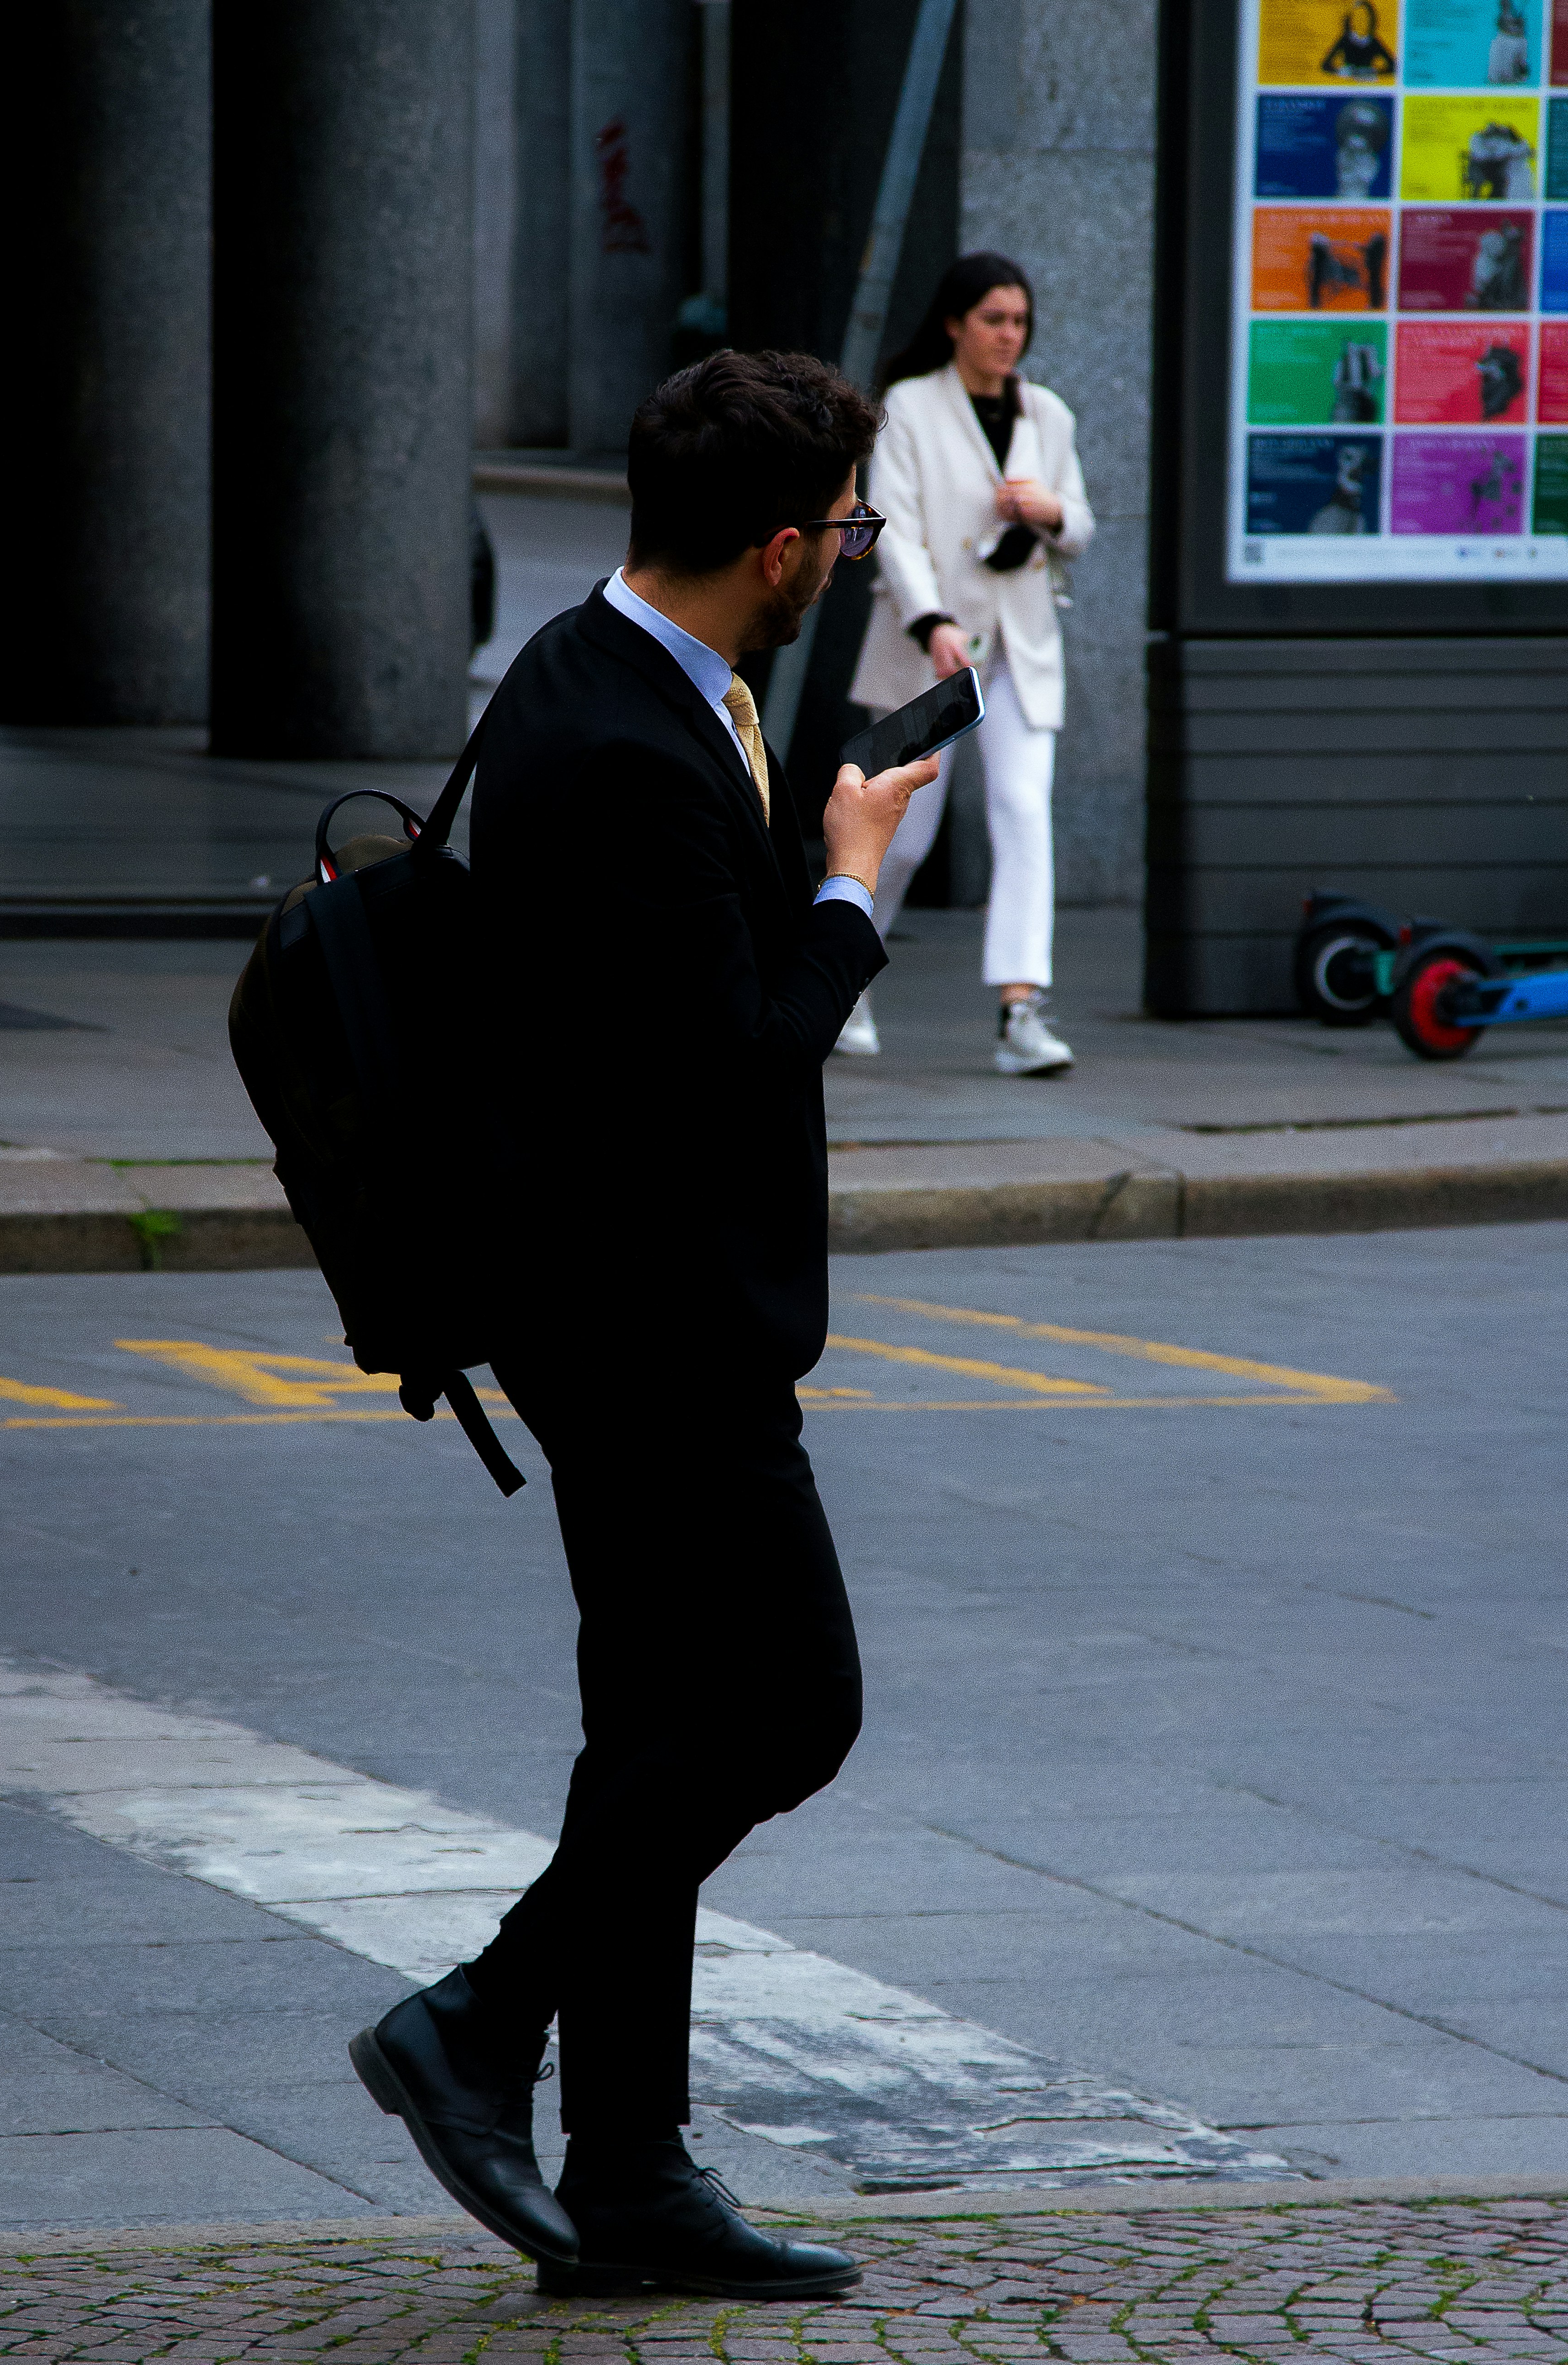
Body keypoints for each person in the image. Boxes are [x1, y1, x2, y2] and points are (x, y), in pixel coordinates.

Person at [348, 351, 936, 2300]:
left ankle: (630, 2173)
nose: (848, 554)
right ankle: (474, 2016)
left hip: (606, 1304)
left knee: (657, 1732)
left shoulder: (604, 685)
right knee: (788, 1706)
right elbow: (735, 1062)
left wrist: (798, 838)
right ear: (778, 546)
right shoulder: (623, 749)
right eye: (843, 526)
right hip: (653, 1327)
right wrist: (851, 888)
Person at [841, 253, 1093, 1074]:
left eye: (1018, 322)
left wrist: (1048, 510)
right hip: (934, 651)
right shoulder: (911, 407)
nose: (1007, 336)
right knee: (903, 831)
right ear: (953, 322)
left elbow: (1081, 523)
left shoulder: (1047, 413)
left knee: (1023, 813)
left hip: (1018, 647)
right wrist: (930, 621)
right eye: (992, 319)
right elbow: (894, 528)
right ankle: (843, 977)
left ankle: (1020, 1008)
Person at [1320, 1, 1396, 77]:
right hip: (1347, 83)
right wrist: (1341, 71)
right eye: (1357, 18)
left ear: (1371, 21)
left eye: (1364, 19)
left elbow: (1393, 66)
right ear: (1351, 21)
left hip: (1367, 84)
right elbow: (1326, 65)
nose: (1361, 22)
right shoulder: (1346, 40)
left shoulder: (1373, 42)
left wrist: (1374, 72)